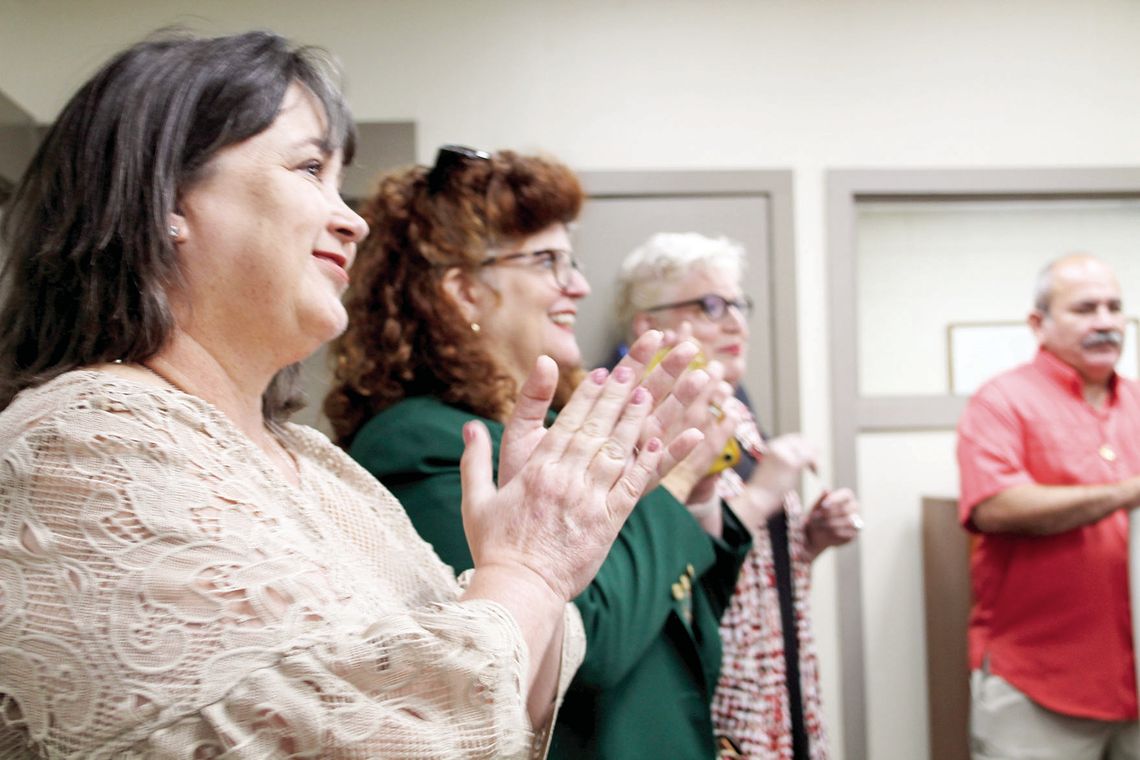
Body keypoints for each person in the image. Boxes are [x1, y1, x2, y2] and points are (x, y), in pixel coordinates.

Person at [0, 32, 701, 759]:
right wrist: (527, 569)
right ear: (170, 198)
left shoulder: (320, 466)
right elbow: (381, 736)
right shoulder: (82, 443)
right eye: (309, 168)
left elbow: (503, 706)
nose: (352, 219)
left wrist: (543, 562)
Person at [324, 147, 774, 759]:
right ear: (465, 292)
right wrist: (671, 486)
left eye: (573, 260)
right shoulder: (430, 443)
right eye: (547, 261)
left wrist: (693, 504)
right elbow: (593, 646)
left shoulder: (562, 426)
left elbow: (677, 621)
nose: (579, 285)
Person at [616, 231, 862, 759]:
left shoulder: (735, 409)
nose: (735, 323)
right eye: (710, 305)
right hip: (715, 683)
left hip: (776, 675)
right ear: (647, 325)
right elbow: (663, 566)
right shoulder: (634, 421)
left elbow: (743, 557)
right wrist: (766, 488)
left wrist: (810, 538)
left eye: (737, 304)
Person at [957, 254, 1140, 760]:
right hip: (1038, 687)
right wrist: (1128, 492)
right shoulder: (1002, 401)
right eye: (1085, 308)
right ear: (1039, 323)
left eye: (1114, 307)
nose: (1105, 321)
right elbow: (995, 506)